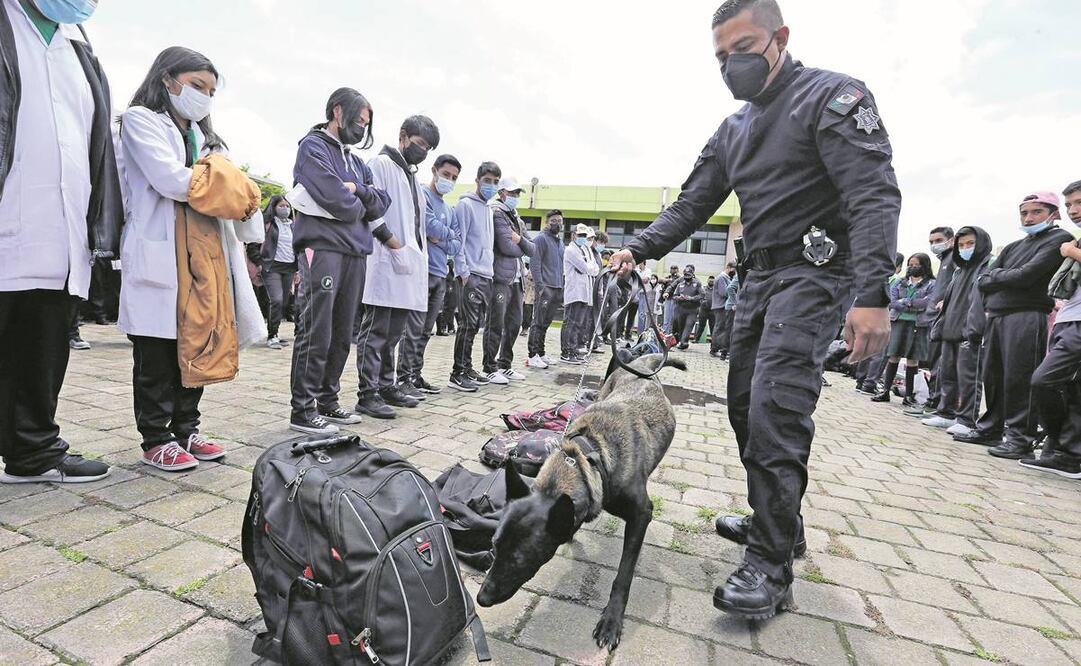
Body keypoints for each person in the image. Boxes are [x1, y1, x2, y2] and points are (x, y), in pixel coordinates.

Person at [608, 0, 898, 617]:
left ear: (779, 38)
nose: (730, 64)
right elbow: (690, 206)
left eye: (742, 48)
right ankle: (780, 524)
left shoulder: (833, 96)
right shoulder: (732, 130)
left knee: (776, 410)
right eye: (720, 56)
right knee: (744, 407)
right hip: (759, 283)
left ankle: (770, 565)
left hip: (816, 277)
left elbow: (872, 194)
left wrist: (874, 292)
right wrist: (636, 248)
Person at [118, 47, 266, 470]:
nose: (203, 96)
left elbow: (235, 197)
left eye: (210, 91)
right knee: (157, 350)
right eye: (197, 85)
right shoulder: (140, 121)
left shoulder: (211, 141)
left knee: (200, 340)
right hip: (161, 250)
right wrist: (228, 184)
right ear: (168, 78)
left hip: (206, 255)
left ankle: (187, 428)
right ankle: (155, 438)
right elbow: (171, 180)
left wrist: (230, 187)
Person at [0, 0, 120, 484]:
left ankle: (33, 451)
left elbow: (92, 145)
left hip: (60, 229)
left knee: (42, 343)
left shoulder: (79, 49)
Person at [289, 87, 391, 434]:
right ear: (337, 112)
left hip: (355, 252)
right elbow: (338, 200)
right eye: (358, 121)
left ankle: (328, 401)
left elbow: (381, 201)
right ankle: (302, 409)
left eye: (366, 124)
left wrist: (358, 191)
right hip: (323, 247)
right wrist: (358, 201)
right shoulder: (313, 147)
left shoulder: (357, 162)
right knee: (317, 327)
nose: (362, 129)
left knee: (343, 332)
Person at [955, 191, 1075, 458]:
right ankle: (990, 429)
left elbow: (1027, 275)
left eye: (1037, 212)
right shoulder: (1013, 246)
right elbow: (983, 278)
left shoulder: (1059, 239)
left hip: (1027, 315)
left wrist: (999, 277)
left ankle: (1020, 438)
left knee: (1019, 377)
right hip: (997, 315)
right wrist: (1002, 277)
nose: (1029, 218)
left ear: (1053, 214)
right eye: (1024, 213)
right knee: (993, 375)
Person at [355, 115, 439, 419]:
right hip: (386, 257)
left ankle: (387, 386)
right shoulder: (380, 165)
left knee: (393, 333)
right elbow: (370, 208)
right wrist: (391, 243)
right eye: (420, 144)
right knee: (376, 330)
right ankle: (367, 393)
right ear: (403, 136)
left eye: (428, 148)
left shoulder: (411, 176)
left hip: (408, 264)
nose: (423, 151)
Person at [1023, 181, 1081, 477]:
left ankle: (1062, 446)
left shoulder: (1070, 244)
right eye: (1069, 204)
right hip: (1066, 318)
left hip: (1078, 323)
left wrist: (1071, 251)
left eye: (1078, 203)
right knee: (1070, 390)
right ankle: (1067, 455)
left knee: (1043, 381)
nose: (1074, 210)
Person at [397, 153, 461, 399]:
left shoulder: (449, 208)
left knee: (425, 331)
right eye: (446, 174)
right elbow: (428, 226)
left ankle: (415, 374)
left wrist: (441, 238)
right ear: (434, 171)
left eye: (454, 177)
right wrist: (444, 236)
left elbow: (456, 244)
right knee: (412, 329)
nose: (449, 180)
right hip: (421, 272)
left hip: (440, 274)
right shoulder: (422, 195)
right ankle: (403, 378)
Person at [922, 226, 992, 431]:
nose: (965, 248)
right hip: (950, 327)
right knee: (948, 373)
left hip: (970, 329)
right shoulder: (960, 269)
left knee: (969, 376)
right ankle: (946, 412)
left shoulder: (987, 266)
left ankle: (966, 419)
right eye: (961, 245)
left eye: (971, 244)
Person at [449, 161, 500, 391]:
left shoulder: (489, 209)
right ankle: (457, 372)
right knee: (467, 325)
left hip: (486, 274)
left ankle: (467, 367)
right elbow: (459, 240)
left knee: (476, 324)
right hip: (471, 275)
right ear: (478, 180)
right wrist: (463, 272)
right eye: (487, 180)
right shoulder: (465, 205)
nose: (491, 185)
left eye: (495, 182)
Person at [483, 176, 534, 384]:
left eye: (517, 193)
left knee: (514, 324)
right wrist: (521, 246)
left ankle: (505, 364)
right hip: (501, 277)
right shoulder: (496, 212)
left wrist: (519, 239)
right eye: (511, 193)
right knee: (495, 323)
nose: (514, 196)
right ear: (501, 192)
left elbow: (532, 248)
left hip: (517, 278)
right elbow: (506, 246)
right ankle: (489, 367)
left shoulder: (515, 217)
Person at [871, 253, 935, 406]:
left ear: (925, 266)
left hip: (918, 325)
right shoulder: (900, 282)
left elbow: (927, 303)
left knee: (913, 359)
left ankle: (908, 396)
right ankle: (885, 391)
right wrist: (912, 303)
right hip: (898, 322)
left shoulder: (932, 284)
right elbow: (892, 302)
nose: (912, 267)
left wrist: (906, 301)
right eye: (910, 264)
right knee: (893, 355)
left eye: (916, 264)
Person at [907, 227, 956, 416]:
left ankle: (937, 404)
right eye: (931, 241)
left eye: (938, 240)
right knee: (934, 361)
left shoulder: (954, 259)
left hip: (944, 318)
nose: (934, 245)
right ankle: (933, 401)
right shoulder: (944, 260)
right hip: (933, 318)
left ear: (950, 240)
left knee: (940, 363)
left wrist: (947, 301)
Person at [527, 210, 565, 369]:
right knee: (538, 321)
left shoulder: (560, 242)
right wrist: (540, 285)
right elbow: (535, 264)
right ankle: (532, 355)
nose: (557, 223)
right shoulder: (540, 239)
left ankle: (541, 353)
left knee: (546, 322)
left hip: (557, 288)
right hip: (545, 288)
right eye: (554, 220)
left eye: (560, 221)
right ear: (547, 223)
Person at [259, 195, 297, 350]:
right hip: (272, 267)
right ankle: (272, 335)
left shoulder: (293, 226)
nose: (285, 209)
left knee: (285, 303)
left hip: (289, 268)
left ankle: (276, 334)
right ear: (274, 207)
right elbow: (254, 244)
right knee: (276, 300)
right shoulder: (268, 224)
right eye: (281, 206)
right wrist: (260, 263)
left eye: (287, 206)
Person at [561, 224, 599, 364]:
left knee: (578, 324)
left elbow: (595, 268)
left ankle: (574, 350)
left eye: (584, 235)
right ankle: (566, 352)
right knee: (571, 323)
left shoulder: (583, 249)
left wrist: (588, 267)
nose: (583, 238)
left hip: (584, 293)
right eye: (580, 235)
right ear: (574, 235)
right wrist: (588, 267)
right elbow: (585, 267)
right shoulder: (571, 250)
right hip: (574, 292)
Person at [670, 267, 704, 349]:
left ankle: (683, 342)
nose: (687, 277)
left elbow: (702, 295)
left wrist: (691, 298)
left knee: (688, 325)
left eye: (689, 275)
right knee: (681, 326)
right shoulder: (680, 284)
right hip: (681, 309)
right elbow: (674, 296)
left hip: (692, 309)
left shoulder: (697, 283)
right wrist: (679, 298)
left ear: (692, 275)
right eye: (685, 275)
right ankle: (682, 342)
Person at [710, 264, 735, 357]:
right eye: (733, 269)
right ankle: (714, 348)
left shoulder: (726, 278)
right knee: (719, 328)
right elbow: (723, 292)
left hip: (722, 306)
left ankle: (718, 347)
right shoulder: (721, 278)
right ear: (728, 267)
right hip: (720, 306)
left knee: (722, 328)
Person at [694, 275, 716, 342]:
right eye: (710, 281)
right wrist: (702, 302)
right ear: (707, 281)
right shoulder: (703, 289)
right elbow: (699, 297)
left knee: (712, 326)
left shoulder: (716, 290)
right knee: (701, 326)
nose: (711, 282)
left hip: (713, 310)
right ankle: (696, 340)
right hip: (703, 310)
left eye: (712, 281)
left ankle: (714, 341)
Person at [660, 265, 681, 333]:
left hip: (675, 299)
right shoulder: (668, 278)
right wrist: (666, 280)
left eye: (674, 269)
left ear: (677, 270)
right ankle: (665, 332)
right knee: (666, 318)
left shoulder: (679, 278)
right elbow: (660, 282)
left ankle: (670, 333)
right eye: (672, 268)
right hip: (668, 299)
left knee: (672, 318)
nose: (673, 270)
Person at [522, 259, 534, 335]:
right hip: (527, 288)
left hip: (533, 288)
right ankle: (525, 328)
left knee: (529, 308)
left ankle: (527, 327)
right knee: (527, 307)